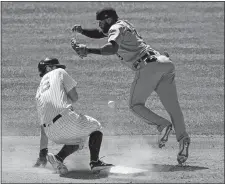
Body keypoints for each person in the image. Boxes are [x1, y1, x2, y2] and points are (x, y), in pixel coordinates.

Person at [71, 7, 190, 165]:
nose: (99, 24)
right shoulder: (122, 24)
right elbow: (102, 33)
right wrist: (83, 32)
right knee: (174, 109)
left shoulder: (114, 28)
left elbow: (112, 48)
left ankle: (163, 125)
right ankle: (183, 141)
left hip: (148, 67)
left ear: (108, 19)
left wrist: (88, 50)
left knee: (135, 105)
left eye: (101, 21)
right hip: (164, 63)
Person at [33, 57, 113, 174]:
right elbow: (75, 97)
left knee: (78, 139)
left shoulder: (39, 92)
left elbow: (42, 126)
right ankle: (95, 162)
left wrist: (42, 154)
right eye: (57, 66)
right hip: (65, 120)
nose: (60, 68)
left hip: (51, 133)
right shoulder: (59, 72)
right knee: (96, 126)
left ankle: (58, 158)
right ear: (50, 68)